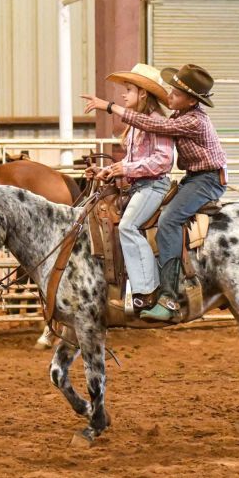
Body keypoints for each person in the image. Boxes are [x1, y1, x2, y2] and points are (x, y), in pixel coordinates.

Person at [82, 64, 227, 322]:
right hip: (194, 177)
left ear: (191, 100)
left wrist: (109, 106)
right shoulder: (177, 116)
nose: (170, 96)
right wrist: (111, 170)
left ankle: (168, 298)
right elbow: (138, 147)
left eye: (176, 93)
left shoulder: (192, 120)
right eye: (171, 90)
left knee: (168, 220)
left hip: (207, 179)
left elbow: (153, 133)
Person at [86, 64, 174, 310]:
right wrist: (108, 170)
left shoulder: (157, 122)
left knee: (128, 226)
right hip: (140, 186)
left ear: (143, 93)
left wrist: (125, 169)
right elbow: (132, 161)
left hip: (153, 186)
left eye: (129, 90)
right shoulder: (135, 125)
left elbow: (163, 160)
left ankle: (147, 291)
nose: (124, 95)